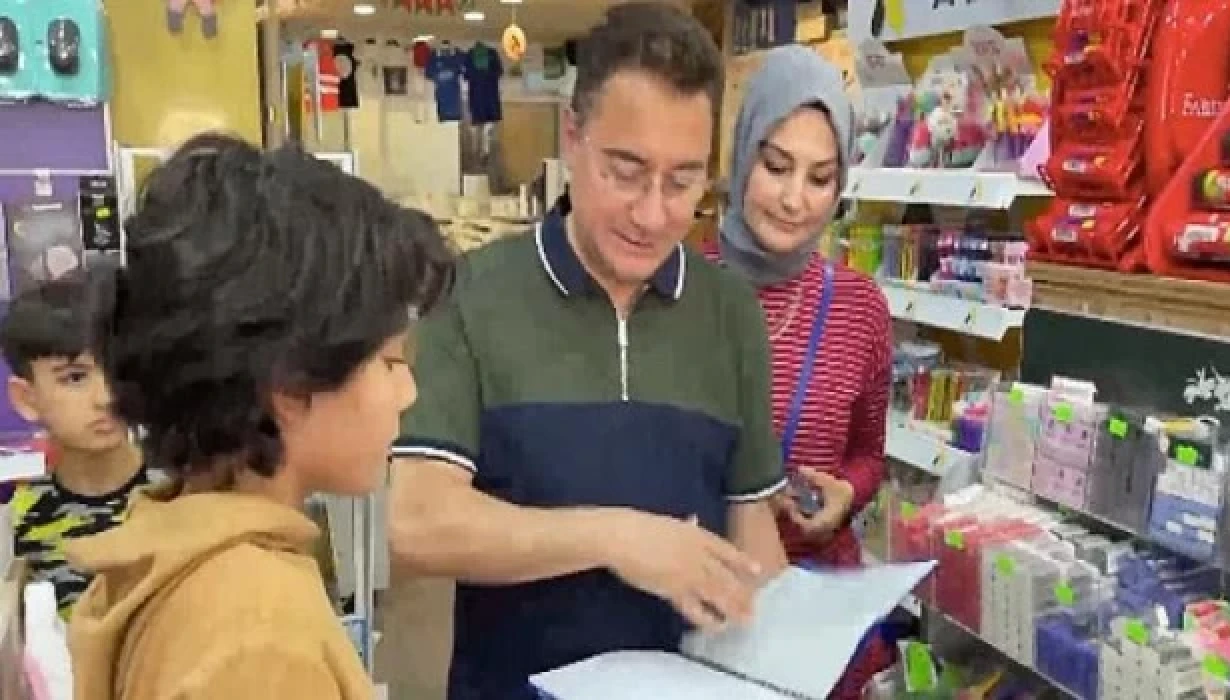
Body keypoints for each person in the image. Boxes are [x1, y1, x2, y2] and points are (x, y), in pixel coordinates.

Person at [387, 4, 789, 699]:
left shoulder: (731, 312)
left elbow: (751, 524)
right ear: (572, 139)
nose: (652, 214)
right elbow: (419, 524)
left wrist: (789, 651)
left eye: (683, 181)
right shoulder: (473, 294)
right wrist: (616, 538)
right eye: (625, 171)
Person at [65, 133, 453, 700]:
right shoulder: (258, 635)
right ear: (291, 381)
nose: (407, 392)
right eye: (390, 362)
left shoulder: (176, 550)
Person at [711, 45, 893, 698]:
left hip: (819, 619)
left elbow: (869, 453)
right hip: (704, 607)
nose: (794, 200)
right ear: (742, 156)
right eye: (776, 166)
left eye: (820, 178)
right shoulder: (678, 290)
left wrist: (847, 494)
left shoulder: (860, 308)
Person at [2, 277, 162, 620]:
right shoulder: (17, 525)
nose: (106, 397)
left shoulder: (184, 491)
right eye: (75, 378)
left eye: (116, 371)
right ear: (26, 399)